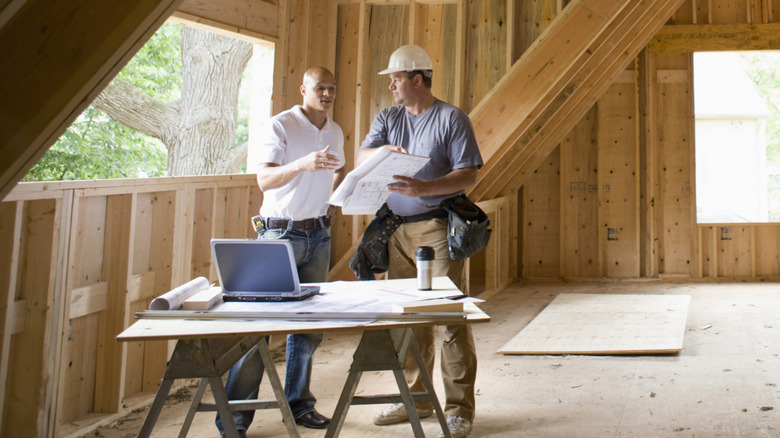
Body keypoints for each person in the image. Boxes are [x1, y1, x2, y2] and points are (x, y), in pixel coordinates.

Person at [357, 45, 482, 438]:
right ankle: (417, 398)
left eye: (396, 78)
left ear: (417, 79)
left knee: (447, 319)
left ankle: (459, 408)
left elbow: (468, 175)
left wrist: (423, 185)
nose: (391, 85)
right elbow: (362, 155)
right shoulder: (388, 117)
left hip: (435, 228)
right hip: (395, 229)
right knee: (407, 319)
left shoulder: (451, 118)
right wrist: (381, 154)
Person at [215, 66, 345, 437]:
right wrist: (304, 164)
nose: (327, 93)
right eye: (320, 87)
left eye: (332, 88)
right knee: (260, 328)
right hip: (279, 235)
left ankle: (299, 404)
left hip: (318, 234)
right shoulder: (280, 126)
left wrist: (331, 201)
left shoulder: (334, 131)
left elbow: (339, 170)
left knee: (309, 328)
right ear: (304, 89)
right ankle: (235, 420)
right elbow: (265, 179)